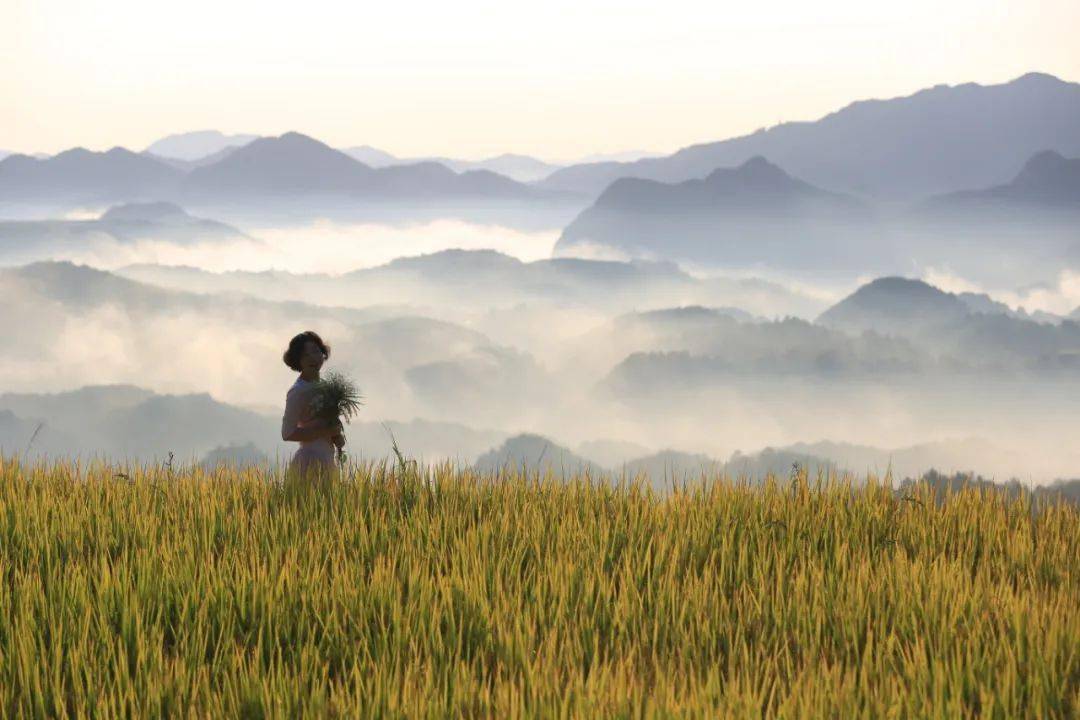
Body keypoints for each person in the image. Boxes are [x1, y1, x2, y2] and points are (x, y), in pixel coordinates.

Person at [280, 330, 345, 484]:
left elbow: (325, 421)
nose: (313, 358)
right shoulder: (298, 391)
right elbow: (287, 433)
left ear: (323, 354)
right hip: (309, 463)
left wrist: (336, 436)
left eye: (316, 351)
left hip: (327, 459)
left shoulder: (324, 387)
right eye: (306, 355)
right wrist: (326, 431)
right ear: (298, 361)